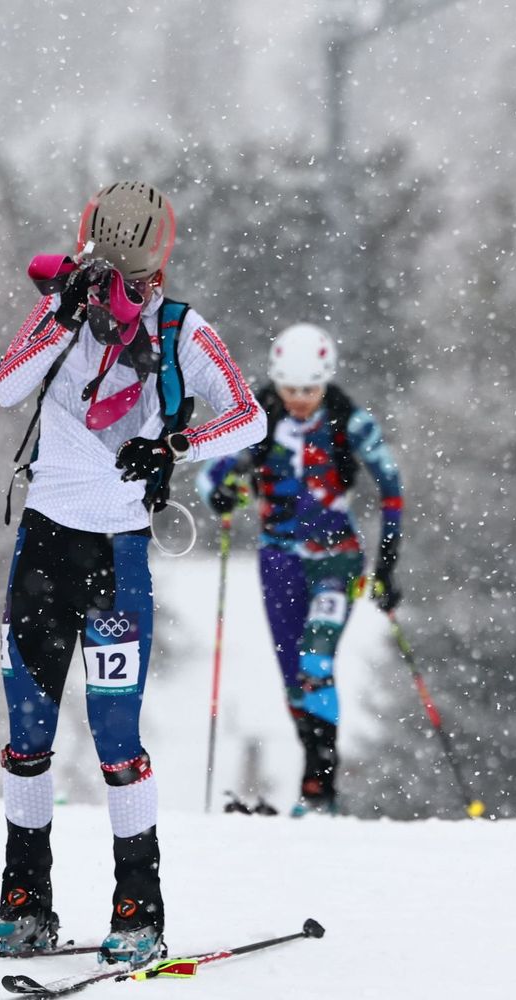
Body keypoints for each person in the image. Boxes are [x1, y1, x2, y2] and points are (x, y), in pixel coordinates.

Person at [0, 181, 265, 965]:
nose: (124, 293)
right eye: (115, 275)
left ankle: (138, 908)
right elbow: (8, 387)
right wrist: (65, 313)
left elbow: (249, 414)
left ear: (159, 269)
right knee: (27, 733)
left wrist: (174, 446)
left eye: (136, 279)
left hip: (116, 556)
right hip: (43, 543)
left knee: (116, 738)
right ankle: (24, 901)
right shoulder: (62, 309)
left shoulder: (181, 330)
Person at [197, 323, 403, 817]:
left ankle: (320, 789)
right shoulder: (258, 415)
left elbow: (391, 487)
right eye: (291, 388)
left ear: (325, 381)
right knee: (294, 680)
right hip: (278, 561)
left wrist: (387, 567)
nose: (300, 399)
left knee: (316, 660)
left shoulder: (348, 419)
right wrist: (222, 493)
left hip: (338, 558)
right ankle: (313, 780)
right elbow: (213, 474)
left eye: (309, 389)